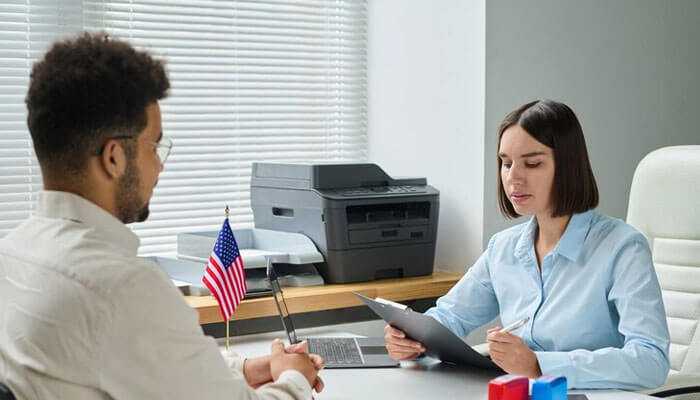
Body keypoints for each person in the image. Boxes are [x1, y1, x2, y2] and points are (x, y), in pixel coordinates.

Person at [0, 32, 323, 399]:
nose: (160, 166)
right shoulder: (123, 288)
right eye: (155, 146)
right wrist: (295, 380)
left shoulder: (13, 256)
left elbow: (119, 363)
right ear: (114, 158)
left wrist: (249, 369)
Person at [384, 100, 670, 389]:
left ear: (568, 167)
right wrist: (412, 337)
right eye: (506, 163)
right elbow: (451, 315)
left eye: (532, 163)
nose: (513, 177)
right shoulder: (504, 248)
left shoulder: (622, 248)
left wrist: (539, 364)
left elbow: (650, 361)